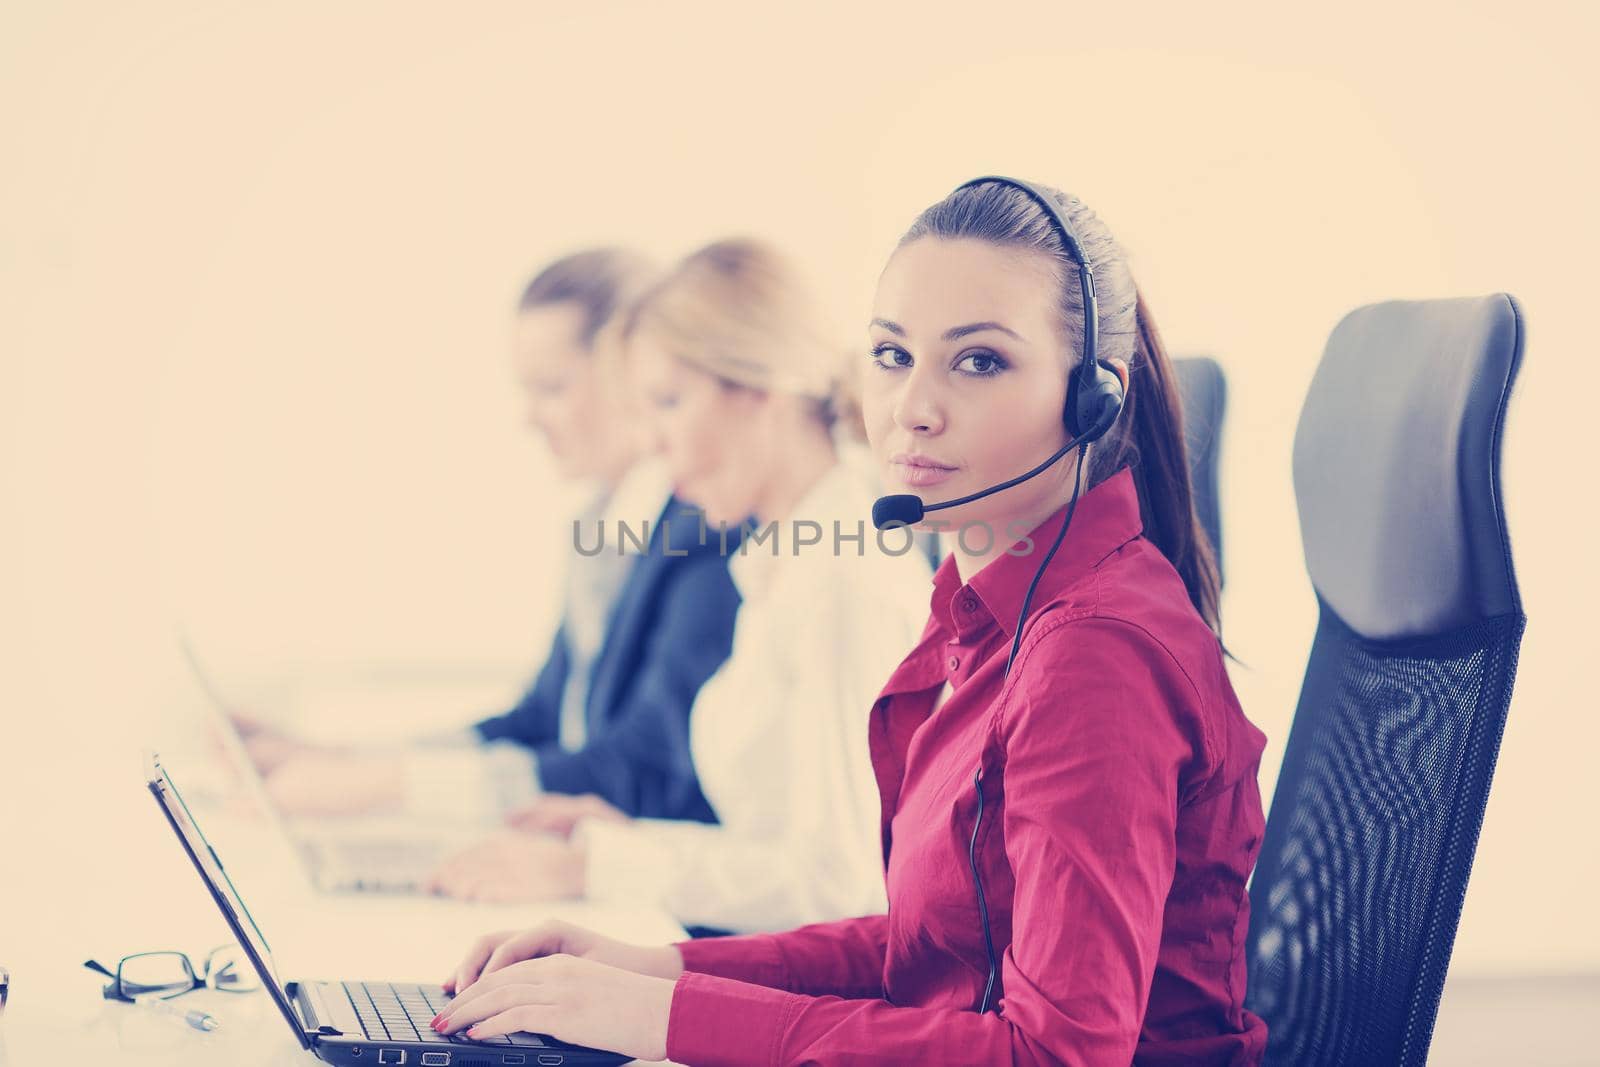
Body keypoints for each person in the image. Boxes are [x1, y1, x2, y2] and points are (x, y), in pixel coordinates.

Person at [427, 179, 1270, 1066]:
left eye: (980, 360)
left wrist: (659, 1019)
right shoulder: (990, 618)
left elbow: (1054, 1055)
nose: (913, 407)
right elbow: (929, 952)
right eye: (892, 355)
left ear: (1093, 398)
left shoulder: (1094, 654)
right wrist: (656, 971)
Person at [428, 239, 933, 933]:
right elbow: (782, 848)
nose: (655, 445)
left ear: (761, 388)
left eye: (668, 401)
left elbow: (842, 886)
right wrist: (628, 842)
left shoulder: (839, 582)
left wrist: (597, 866)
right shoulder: (781, 562)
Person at [235, 248, 742, 847]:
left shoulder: (708, 531)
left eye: (551, 387)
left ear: (628, 372)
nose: (530, 417)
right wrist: (344, 762)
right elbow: (539, 720)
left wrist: (382, 785)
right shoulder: (605, 528)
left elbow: (646, 767)